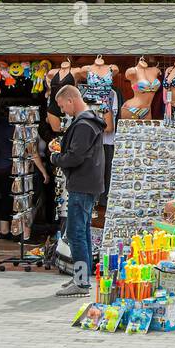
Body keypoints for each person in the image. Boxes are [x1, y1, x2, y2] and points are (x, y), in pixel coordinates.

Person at [49, 84, 105, 297]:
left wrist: (56, 158)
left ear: (71, 100)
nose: (63, 111)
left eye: (63, 106)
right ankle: (82, 279)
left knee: (76, 233)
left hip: (82, 184)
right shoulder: (89, 122)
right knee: (81, 231)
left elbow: (75, 157)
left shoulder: (83, 125)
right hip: (88, 183)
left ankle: (81, 283)